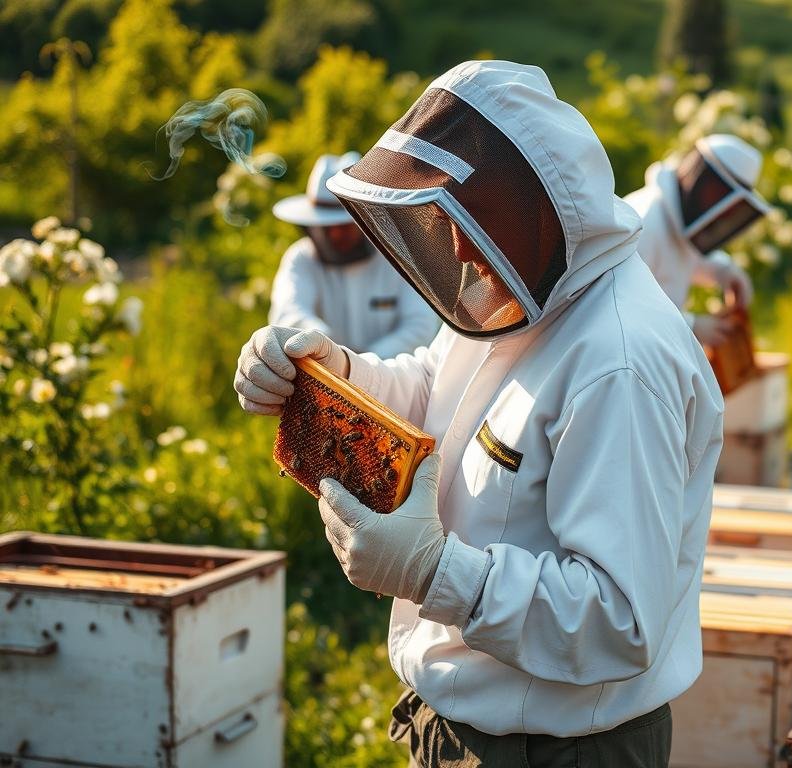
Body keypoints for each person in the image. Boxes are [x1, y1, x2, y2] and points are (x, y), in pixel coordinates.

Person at [233, 60, 723, 767]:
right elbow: (435, 386)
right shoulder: (530, 285)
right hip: (467, 725)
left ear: (538, 209)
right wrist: (333, 371)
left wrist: (436, 573)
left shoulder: (620, 361)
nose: (457, 246)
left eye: (471, 217)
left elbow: (619, 621)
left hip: (558, 750)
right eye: (443, 218)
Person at [269, 152, 440, 358]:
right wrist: (326, 351)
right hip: (321, 375)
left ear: (365, 220)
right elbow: (289, 314)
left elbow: (420, 326)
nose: (335, 234)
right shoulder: (301, 258)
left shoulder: (400, 257)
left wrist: (360, 364)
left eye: (344, 225)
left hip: (394, 382)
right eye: (326, 227)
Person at [623, 134, 768, 346]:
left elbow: (686, 260)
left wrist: (725, 271)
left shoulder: (675, 225)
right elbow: (623, 307)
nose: (726, 214)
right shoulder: (644, 223)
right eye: (722, 200)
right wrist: (690, 326)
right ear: (704, 180)